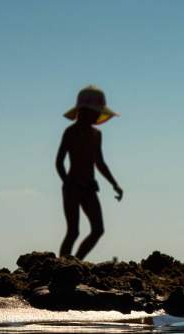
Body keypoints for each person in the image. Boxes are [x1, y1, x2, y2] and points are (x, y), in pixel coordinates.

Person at [55, 86, 124, 260]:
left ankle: (76, 262)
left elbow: (99, 163)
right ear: (84, 111)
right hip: (72, 187)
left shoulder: (96, 134)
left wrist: (114, 184)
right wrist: (67, 182)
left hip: (89, 188)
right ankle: (62, 266)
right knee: (73, 231)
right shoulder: (70, 132)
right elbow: (59, 162)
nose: (96, 117)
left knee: (98, 229)